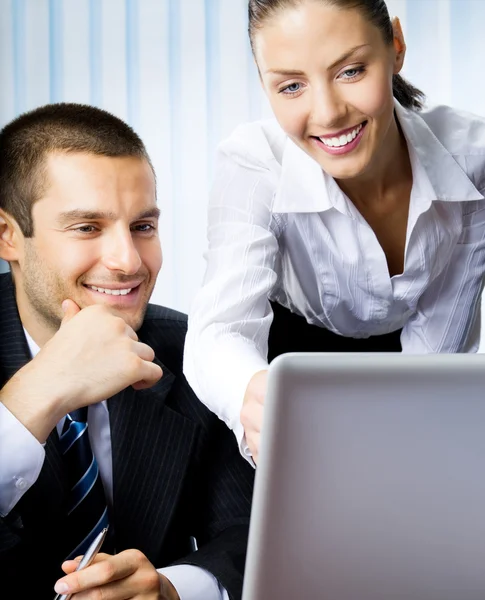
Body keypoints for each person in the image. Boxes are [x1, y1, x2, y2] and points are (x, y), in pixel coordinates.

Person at [183, 0, 485, 465]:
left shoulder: (473, 162)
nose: (327, 113)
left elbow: (436, 355)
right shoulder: (255, 162)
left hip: (413, 364)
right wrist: (258, 398)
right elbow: (218, 333)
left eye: (350, 71)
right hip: (284, 363)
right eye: (291, 86)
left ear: (396, 47)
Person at [0, 103, 254, 600]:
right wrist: (39, 391)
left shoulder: (197, 350)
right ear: (9, 234)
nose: (129, 261)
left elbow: (249, 534)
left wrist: (172, 589)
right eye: (87, 227)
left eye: (142, 226)